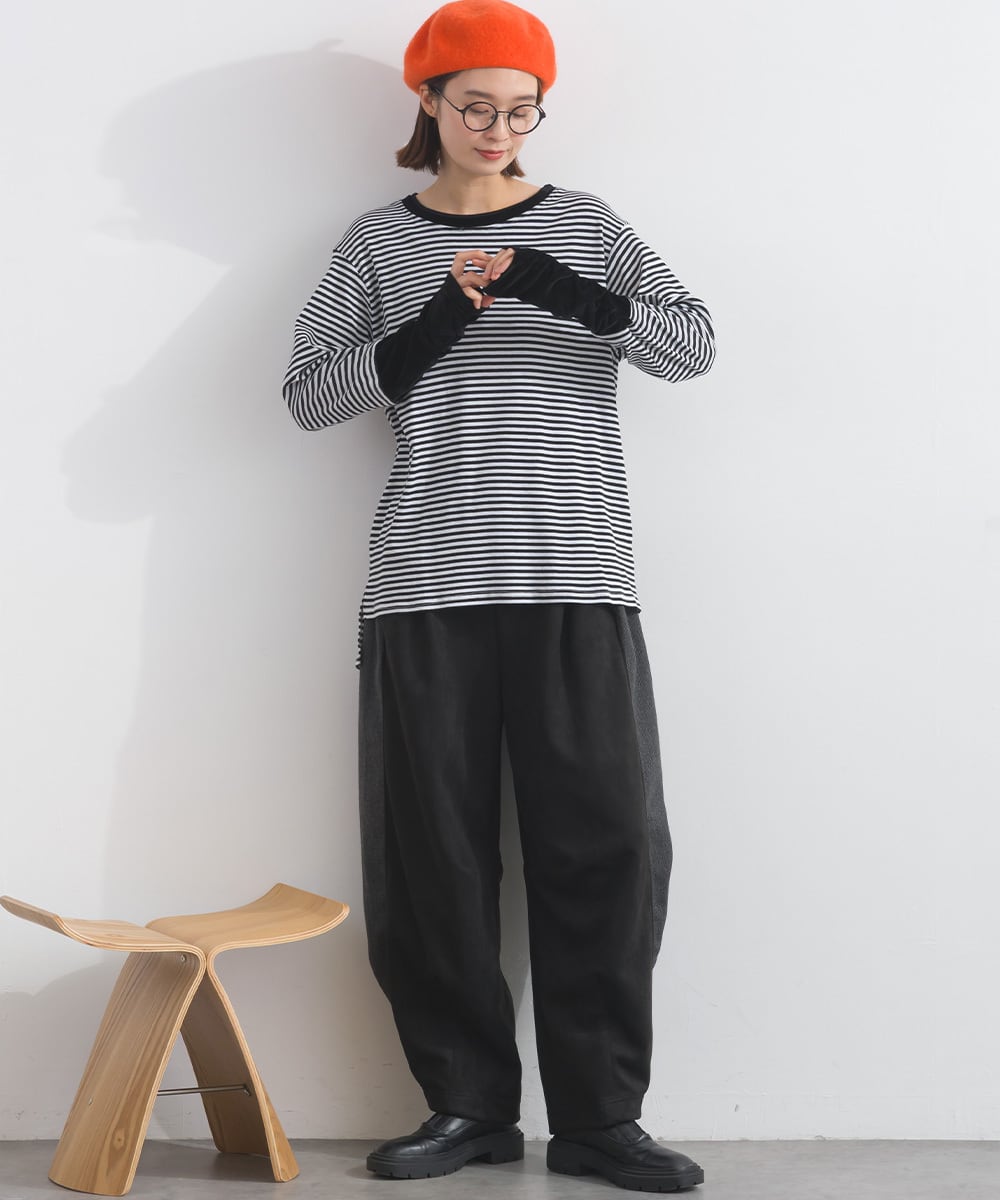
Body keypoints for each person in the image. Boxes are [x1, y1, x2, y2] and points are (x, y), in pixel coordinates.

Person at [281, 0, 715, 1191]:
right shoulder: (376, 242)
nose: (497, 129)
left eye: (522, 111)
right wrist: (438, 318)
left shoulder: (588, 225)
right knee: (434, 858)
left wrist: (563, 289)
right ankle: (467, 1107)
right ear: (428, 101)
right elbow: (310, 397)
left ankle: (600, 1121)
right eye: (474, 106)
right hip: (424, 586)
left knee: (608, 847)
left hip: (579, 577)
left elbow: (690, 347)